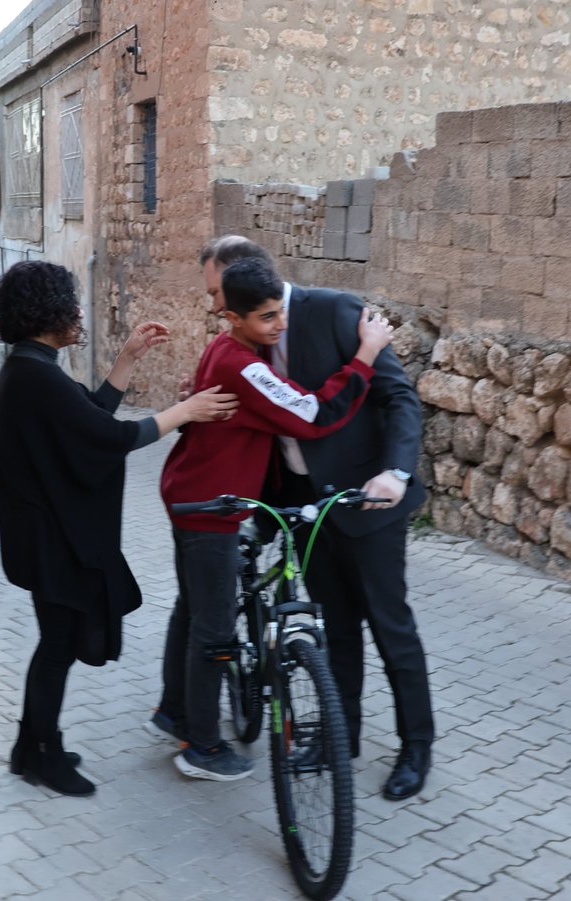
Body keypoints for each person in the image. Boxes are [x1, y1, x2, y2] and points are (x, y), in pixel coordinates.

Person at [0, 260, 238, 797]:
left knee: (52, 645)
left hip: (42, 537)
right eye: (70, 305)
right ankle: (42, 756)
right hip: (49, 540)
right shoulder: (35, 375)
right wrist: (186, 411)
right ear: (46, 312)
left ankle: (28, 745)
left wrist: (126, 359)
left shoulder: (33, 366)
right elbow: (111, 439)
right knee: (55, 649)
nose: (79, 313)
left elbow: (91, 418)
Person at [199, 236, 435, 801]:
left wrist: (395, 475)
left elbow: (400, 398)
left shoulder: (336, 311)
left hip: (367, 502)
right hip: (303, 506)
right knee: (334, 630)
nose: (217, 308)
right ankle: (340, 736)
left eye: (220, 294)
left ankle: (416, 746)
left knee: (389, 626)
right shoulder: (241, 333)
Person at [152, 256, 396, 781]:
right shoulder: (242, 364)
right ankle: (202, 748)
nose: (279, 326)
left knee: (196, 611)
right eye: (266, 319)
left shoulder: (230, 348)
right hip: (210, 509)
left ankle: (174, 712)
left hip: (194, 494)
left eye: (280, 313)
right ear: (233, 319)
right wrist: (366, 355)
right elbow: (313, 416)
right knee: (213, 631)